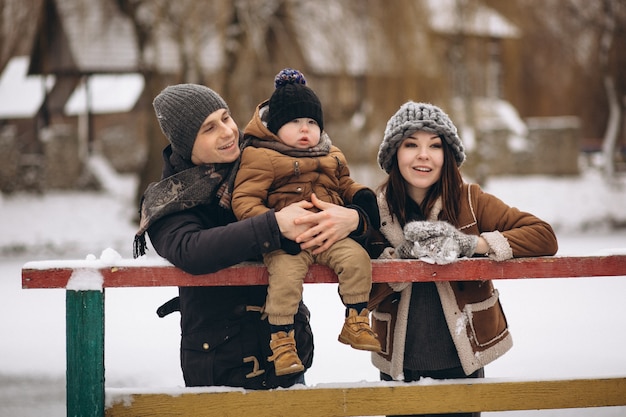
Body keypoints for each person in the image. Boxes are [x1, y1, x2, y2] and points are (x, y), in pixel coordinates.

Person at [132, 83, 376, 390]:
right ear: (185, 143)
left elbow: (332, 193)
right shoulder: (170, 198)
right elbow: (189, 249)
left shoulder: (268, 158)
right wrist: (275, 226)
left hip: (287, 356)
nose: (228, 131)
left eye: (226, 117)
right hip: (221, 365)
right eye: (209, 128)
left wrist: (355, 218)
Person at [368, 101, 559, 417]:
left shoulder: (471, 200)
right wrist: (399, 260)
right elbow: (358, 292)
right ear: (393, 154)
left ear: (448, 156)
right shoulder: (375, 211)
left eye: (435, 145)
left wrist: (473, 244)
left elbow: (543, 235)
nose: (423, 155)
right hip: (399, 368)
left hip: (462, 362)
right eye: (410, 144)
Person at [231, 68, 382, 376]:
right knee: (285, 279)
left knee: (357, 259)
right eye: (294, 122)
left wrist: (360, 196)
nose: (305, 129)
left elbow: (344, 184)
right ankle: (282, 342)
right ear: (275, 127)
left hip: (330, 234)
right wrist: (274, 226)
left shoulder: (332, 153)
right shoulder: (260, 155)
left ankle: (356, 319)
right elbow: (244, 201)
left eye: (312, 122)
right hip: (287, 241)